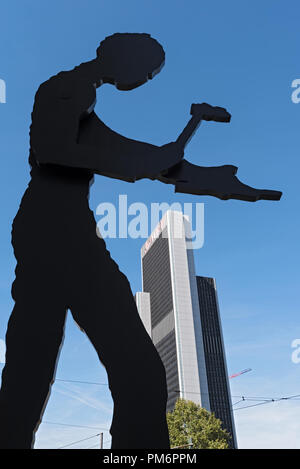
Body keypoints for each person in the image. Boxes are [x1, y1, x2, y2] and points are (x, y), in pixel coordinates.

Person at [0, 33, 185, 450]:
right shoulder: (69, 87)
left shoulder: (83, 98)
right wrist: (142, 165)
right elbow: (53, 149)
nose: (145, 79)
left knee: (34, 365)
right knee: (48, 364)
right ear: (122, 58)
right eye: (147, 69)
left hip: (63, 229)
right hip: (54, 230)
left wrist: (198, 172)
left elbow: (125, 151)